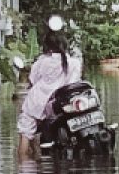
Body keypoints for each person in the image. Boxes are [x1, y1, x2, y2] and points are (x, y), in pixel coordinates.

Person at [17, 24, 82, 159]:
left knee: (26, 133)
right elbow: (74, 82)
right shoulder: (74, 63)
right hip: (59, 104)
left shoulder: (42, 62)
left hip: (37, 103)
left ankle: (25, 167)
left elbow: (33, 79)